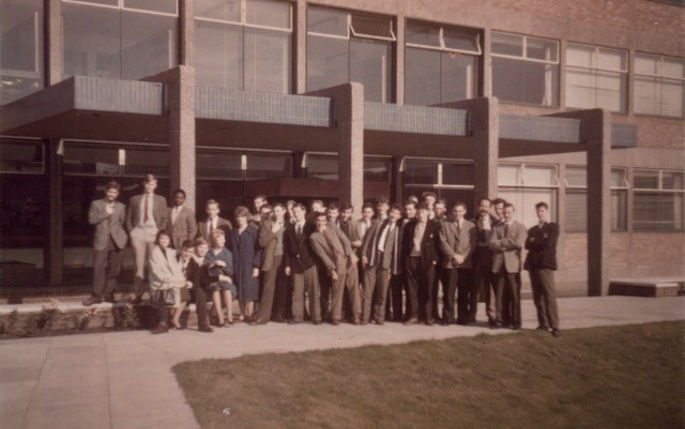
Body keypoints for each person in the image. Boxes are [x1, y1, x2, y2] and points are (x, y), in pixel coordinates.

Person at [83, 181, 128, 306]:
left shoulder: (121, 206)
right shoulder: (96, 204)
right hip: (101, 239)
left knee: (115, 270)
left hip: (117, 240)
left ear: (118, 194)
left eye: (114, 192)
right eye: (110, 191)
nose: (112, 194)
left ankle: (109, 294)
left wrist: (123, 238)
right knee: (99, 268)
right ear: (105, 191)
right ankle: (96, 295)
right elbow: (91, 220)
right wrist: (105, 213)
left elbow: (121, 222)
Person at [126, 174, 169, 304]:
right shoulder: (135, 199)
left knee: (153, 265)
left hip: (153, 232)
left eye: (152, 184)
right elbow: (129, 217)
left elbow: (164, 218)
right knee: (138, 266)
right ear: (143, 184)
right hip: (138, 232)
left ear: (155, 185)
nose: (149, 186)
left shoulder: (161, 200)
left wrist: (159, 232)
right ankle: (138, 294)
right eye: (147, 183)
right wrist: (131, 232)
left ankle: (153, 294)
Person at [309, 212, 358, 325]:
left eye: (323, 220)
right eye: (318, 220)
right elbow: (322, 255)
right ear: (315, 222)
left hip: (347, 258)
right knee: (337, 289)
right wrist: (331, 269)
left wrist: (351, 254)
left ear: (326, 220)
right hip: (336, 263)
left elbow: (344, 240)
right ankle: (336, 316)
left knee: (353, 287)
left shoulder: (333, 227)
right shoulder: (314, 237)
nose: (321, 223)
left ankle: (356, 315)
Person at [360, 204, 403, 325]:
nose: (393, 215)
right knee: (368, 291)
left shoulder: (399, 230)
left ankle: (379, 317)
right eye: (392, 212)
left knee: (382, 292)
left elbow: (397, 251)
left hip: (386, 263)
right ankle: (365, 317)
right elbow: (367, 240)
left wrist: (391, 267)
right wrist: (363, 254)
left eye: (396, 214)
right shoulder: (378, 224)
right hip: (372, 258)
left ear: (399, 216)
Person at [524, 202, 561, 337]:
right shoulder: (533, 229)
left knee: (549, 295)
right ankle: (543, 323)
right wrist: (537, 240)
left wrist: (535, 240)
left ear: (547, 211)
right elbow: (527, 244)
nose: (540, 214)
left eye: (542, 211)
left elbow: (549, 243)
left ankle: (555, 326)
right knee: (537, 296)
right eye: (538, 211)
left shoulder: (553, 227)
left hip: (545, 265)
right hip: (533, 265)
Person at [490, 203, 526, 329]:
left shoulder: (520, 227)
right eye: (504, 212)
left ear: (513, 212)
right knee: (499, 295)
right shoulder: (497, 226)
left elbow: (518, 242)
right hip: (499, 265)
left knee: (514, 295)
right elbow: (491, 244)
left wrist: (501, 242)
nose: (506, 214)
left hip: (512, 265)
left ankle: (516, 321)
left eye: (509, 212)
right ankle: (501, 321)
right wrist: (506, 243)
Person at [402, 203, 440, 325]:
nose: (420, 215)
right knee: (412, 289)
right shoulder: (410, 225)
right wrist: (406, 259)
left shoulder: (435, 226)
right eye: (418, 213)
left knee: (428, 288)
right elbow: (404, 243)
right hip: (412, 259)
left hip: (427, 261)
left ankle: (429, 316)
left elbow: (439, 244)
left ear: (428, 213)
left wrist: (434, 259)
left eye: (423, 212)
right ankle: (414, 315)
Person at [439, 202, 476, 325]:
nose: (457, 214)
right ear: (451, 212)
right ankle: (448, 318)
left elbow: (473, 244)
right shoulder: (445, 225)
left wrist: (464, 256)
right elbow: (442, 242)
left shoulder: (471, 226)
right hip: (450, 262)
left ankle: (462, 318)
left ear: (465, 211)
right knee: (449, 291)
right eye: (455, 211)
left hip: (465, 263)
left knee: (464, 291)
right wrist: (454, 255)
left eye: (460, 211)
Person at [283, 203, 321, 324]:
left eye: (298, 212)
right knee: (297, 292)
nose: (296, 214)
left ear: (304, 211)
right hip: (295, 265)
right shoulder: (289, 229)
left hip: (310, 263)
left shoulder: (311, 226)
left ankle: (316, 317)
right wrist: (288, 265)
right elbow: (287, 250)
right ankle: (297, 317)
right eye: (294, 212)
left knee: (313, 292)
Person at [148, 230, 190, 334]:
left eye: (166, 238)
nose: (164, 240)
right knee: (165, 294)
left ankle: (174, 318)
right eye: (161, 238)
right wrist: (173, 281)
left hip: (171, 281)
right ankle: (163, 324)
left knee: (185, 294)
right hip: (160, 282)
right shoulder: (154, 252)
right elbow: (156, 271)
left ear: (169, 240)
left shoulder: (170, 251)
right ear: (158, 240)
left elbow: (186, 251)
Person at [253, 203, 287, 325]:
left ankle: (279, 315)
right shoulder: (267, 224)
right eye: (275, 211)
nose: (277, 213)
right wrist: (273, 231)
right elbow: (262, 242)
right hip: (270, 258)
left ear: (284, 211)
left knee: (282, 287)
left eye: (279, 211)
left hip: (284, 258)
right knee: (268, 286)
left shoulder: (288, 225)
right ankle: (263, 317)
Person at [229, 206, 262, 322]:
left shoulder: (253, 231)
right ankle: (242, 313)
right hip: (237, 264)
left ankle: (250, 313)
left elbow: (259, 249)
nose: (240, 219)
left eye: (242, 216)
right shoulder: (233, 232)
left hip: (249, 264)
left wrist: (256, 266)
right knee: (240, 288)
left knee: (249, 289)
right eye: (238, 217)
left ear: (247, 217)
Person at [473, 198, 498, 326]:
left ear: (490, 208)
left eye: (486, 206)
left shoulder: (495, 222)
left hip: (490, 258)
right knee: (474, 288)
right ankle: (471, 315)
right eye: (482, 206)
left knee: (490, 289)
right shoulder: (472, 221)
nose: (484, 208)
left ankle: (492, 315)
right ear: (479, 207)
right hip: (476, 258)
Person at [179, 239, 213, 332]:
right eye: (185, 251)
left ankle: (203, 324)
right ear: (181, 249)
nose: (187, 254)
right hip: (176, 286)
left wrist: (190, 284)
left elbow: (197, 280)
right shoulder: (175, 260)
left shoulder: (194, 262)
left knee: (200, 293)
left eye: (190, 252)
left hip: (189, 289)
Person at [206, 229, 236, 326]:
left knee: (227, 288)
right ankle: (220, 318)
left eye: (223, 239)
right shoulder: (209, 252)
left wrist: (224, 265)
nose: (223, 241)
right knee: (215, 289)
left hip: (225, 279)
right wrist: (213, 264)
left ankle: (230, 317)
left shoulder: (227, 253)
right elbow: (206, 268)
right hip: (213, 279)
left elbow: (231, 271)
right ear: (214, 240)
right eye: (220, 239)